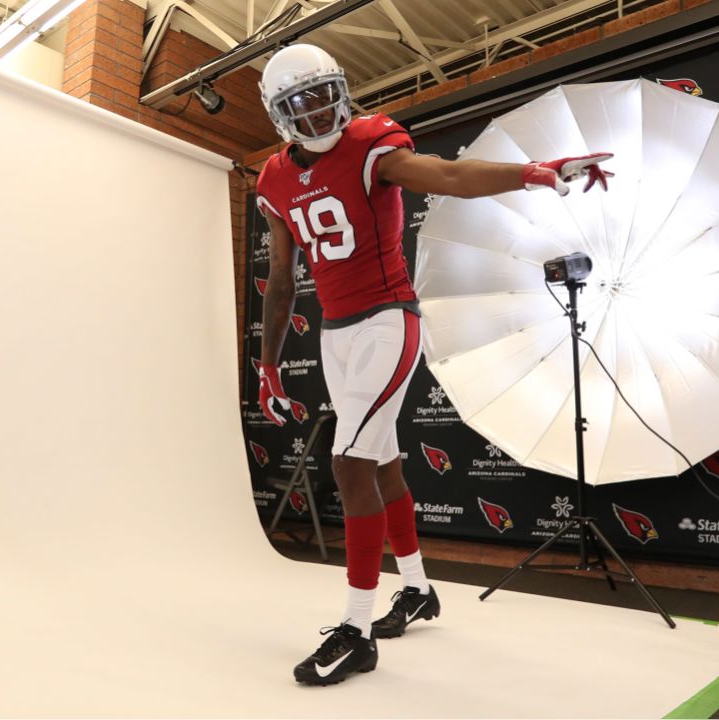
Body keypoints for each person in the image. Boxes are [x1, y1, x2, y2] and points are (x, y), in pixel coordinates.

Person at [253, 43, 613, 686]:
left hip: (388, 320)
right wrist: (268, 366)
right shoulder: (274, 180)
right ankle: (417, 589)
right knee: (382, 463)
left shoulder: (371, 146)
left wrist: (534, 173)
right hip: (335, 333)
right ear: (278, 115)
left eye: (325, 93)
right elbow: (280, 281)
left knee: (349, 462)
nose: (319, 110)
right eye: (301, 102)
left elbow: (447, 175)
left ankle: (357, 632)